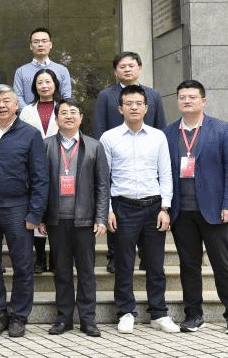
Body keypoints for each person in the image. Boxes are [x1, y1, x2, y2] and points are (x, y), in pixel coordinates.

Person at [164, 80, 228, 336]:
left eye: (192, 97)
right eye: (182, 97)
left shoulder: (221, 129)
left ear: (203, 101)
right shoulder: (168, 133)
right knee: (189, 265)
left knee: (223, 265)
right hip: (181, 212)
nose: (187, 101)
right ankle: (193, 315)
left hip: (214, 211)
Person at [0, 84, 48, 338]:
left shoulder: (30, 134)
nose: (1, 105)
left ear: (16, 106)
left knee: (23, 265)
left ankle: (19, 316)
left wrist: (35, 213)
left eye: (6, 101)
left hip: (18, 208)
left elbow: (40, 177)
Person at [100, 85, 178, 334]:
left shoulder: (158, 137)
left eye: (138, 103)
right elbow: (104, 178)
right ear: (120, 108)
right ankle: (125, 312)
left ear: (146, 108)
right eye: (129, 103)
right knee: (124, 264)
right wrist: (108, 210)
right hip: (122, 207)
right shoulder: (109, 138)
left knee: (155, 264)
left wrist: (165, 208)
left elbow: (166, 174)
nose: (134, 107)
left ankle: (159, 313)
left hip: (154, 207)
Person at [93, 52, 166, 273]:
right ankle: (114, 256)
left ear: (140, 68)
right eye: (122, 66)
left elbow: (160, 126)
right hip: (115, 157)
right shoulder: (106, 95)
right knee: (116, 213)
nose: (127, 69)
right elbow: (99, 127)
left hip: (146, 160)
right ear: (115, 71)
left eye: (131, 65)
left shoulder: (153, 95)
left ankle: (145, 255)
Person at [42, 99, 109, 338]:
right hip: (56, 219)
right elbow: (40, 184)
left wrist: (101, 217)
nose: (68, 116)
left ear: (81, 117)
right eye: (63, 112)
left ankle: (88, 319)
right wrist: (41, 216)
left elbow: (103, 185)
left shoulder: (94, 146)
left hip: (85, 220)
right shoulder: (45, 145)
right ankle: (64, 318)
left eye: (73, 112)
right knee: (61, 271)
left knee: (86, 271)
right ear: (56, 119)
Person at [18, 68, 62, 273]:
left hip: (60, 163)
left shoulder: (63, 107)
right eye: (40, 82)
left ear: (55, 84)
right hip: (32, 165)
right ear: (34, 87)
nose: (44, 86)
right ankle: (40, 258)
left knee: (55, 209)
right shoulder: (27, 111)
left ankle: (57, 256)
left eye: (48, 82)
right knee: (37, 206)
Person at [13, 27, 71, 108]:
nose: (40, 44)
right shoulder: (21, 71)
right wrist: (29, 113)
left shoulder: (62, 70)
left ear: (50, 45)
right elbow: (17, 97)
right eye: (36, 42)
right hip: (28, 115)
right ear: (31, 46)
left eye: (44, 41)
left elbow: (66, 97)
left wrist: (58, 113)